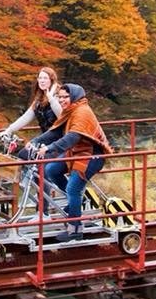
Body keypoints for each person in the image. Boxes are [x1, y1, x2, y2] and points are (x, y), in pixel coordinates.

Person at [27, 83, 112, 241]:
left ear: (74, 96)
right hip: (76, 152)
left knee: (73, 188)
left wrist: (49, 149)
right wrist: (35, 141)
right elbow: (57, 131)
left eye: (65, 97)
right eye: (60, 97)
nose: (62, 100)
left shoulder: (82, 112)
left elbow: (73, 137)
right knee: (51, 170)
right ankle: (77, 202)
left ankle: (75, 229)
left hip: (92, 155)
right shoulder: (70, 110)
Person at [0, 67, 62, 141]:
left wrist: (51, 98)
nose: (42, 81)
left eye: (45, 78)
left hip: (60, 136)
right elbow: (26, 117)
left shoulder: (60, 96)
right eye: (40, 78)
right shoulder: (39, 99)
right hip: (46, 135)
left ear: (52, 80)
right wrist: (9, 130)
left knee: (31, 147)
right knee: (24, 152)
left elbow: (62, 115)